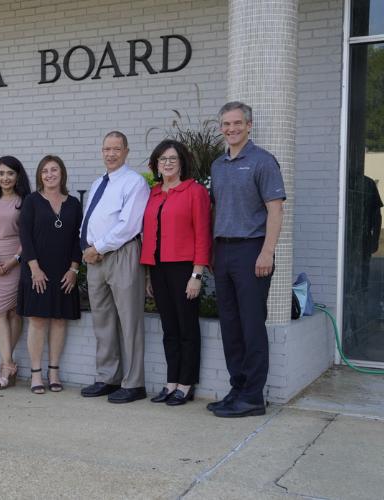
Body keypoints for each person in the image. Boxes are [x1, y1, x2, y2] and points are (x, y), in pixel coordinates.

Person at [209, 101, 285, 418]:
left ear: (249, 125)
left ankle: (253, 397)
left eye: (237, 123)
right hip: (223, 252)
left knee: (252, 326)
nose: (232, 129)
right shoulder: (218, 165)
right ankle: (237, 389)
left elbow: (276, 209)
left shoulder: (263, 162)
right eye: (226, 124)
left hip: (252, 250)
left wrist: (267, 251)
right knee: (230, 326)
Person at [79, 131, 150, 403]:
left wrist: (98, 248)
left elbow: (128, 225)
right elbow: (90, 218)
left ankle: (134, 383)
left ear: (126, 151)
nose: (110, 154)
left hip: (121, 254)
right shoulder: (99, 183)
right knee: (103, 320)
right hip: (95, 259)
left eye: (116, 149)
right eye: (106, 149)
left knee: (129, 321)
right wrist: (86, 248)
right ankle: (108, 377)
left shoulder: (134, 183)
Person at [141, 140, 211, 406]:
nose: (167, 163)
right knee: (169, 328)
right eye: (162, 159)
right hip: (158, 268)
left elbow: (203, 235)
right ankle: (171, 382)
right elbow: (149, 234)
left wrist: (197, 275)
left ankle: (186, 384)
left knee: (186, 328)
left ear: (182, 162)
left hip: (184, 268)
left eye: (172, 158)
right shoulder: (154, 193)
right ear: (156, 165)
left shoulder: (194, 192)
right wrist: (148, 275)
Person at [17, 155, 82, 394]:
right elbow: (25, 236)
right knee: (38, 320)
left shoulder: (74, 203)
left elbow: (79, 238)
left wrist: (74, 269)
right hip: (37, 271)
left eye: (54, 170)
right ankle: (36, 374)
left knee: (59, 320)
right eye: (45, 171)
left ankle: (53, 371)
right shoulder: (32, 201)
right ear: (39, 175)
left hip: (65, 271)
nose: (50, 174)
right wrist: (34, 268)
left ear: (62, 173)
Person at [0, 156, 32, 389]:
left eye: (10, 173)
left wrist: (13, 261)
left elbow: (27, 235)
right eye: (1, 173)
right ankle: (8, 362)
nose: (5, 178)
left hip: (16, 260)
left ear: (18, 176)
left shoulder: (25, 201)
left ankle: (5, 366)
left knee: (14, 313)